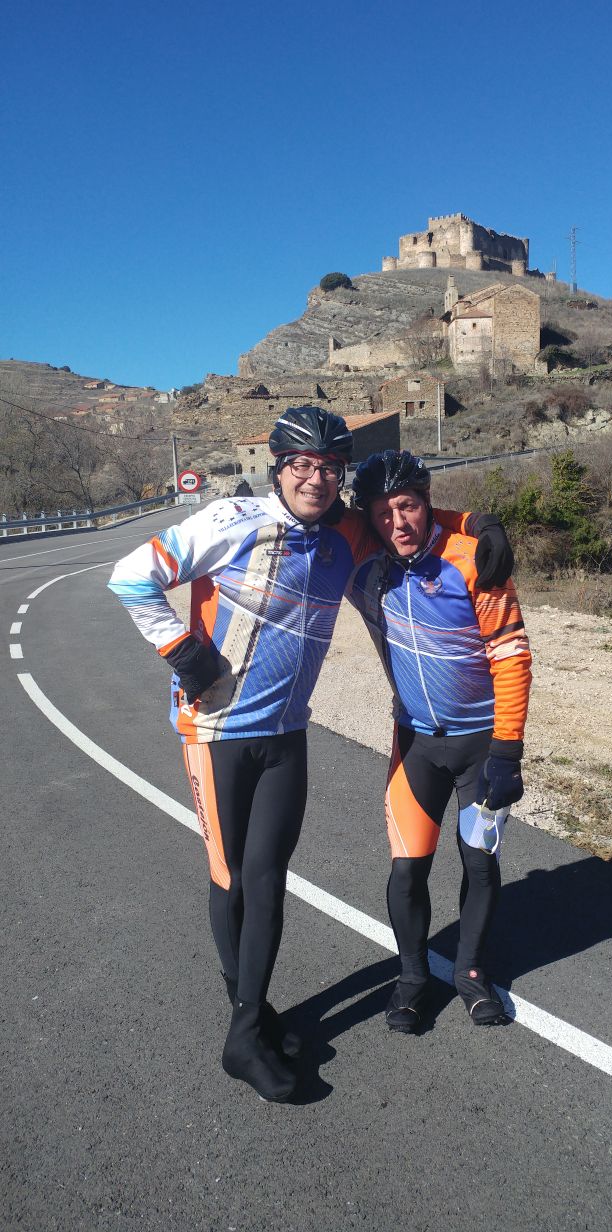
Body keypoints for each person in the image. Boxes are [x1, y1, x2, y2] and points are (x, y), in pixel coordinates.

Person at [108, 407, 513, 1102]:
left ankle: (252, 1022)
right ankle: (245, 1028)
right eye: (301, 465)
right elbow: (130, 577)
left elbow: (406, 516)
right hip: (216, 732)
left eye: (329, 468)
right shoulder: (230, 520)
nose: (314, 479)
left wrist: (480, 523)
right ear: (278, 468)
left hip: (287, 733)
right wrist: (181, 650)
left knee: (268, 880)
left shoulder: (345, 534)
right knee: (232, 880)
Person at [348, 450, 532, 1033]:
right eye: (383, 512)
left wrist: (507, 750)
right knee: (407, 870)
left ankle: (472, 973)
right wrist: (477, 516)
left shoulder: (474, 558)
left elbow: (512, 657)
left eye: (408, 506)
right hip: (415, 746)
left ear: (427, 502)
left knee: (480, 862)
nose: (397, 522)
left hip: (481, 748)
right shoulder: (364, 558)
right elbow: (314, 515)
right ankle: (411, 977)